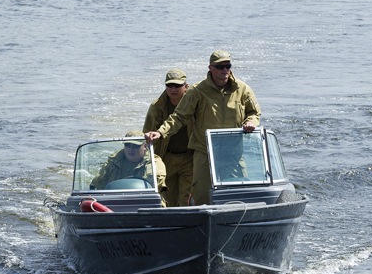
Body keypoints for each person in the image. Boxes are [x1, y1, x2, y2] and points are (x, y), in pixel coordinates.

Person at [144, 50, 261, 205]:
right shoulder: (197, 90)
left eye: (228, 66)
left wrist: (251, 122)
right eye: (220, 67)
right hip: (204, 152)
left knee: (238, 196)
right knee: (201, 197)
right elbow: (179, 116)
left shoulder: (242, 89)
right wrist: (160, 132)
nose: (225, 70)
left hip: (233, 152)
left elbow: (254, 112)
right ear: (210, 68)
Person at [143, 69, 193, 207]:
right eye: (169, 85)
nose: (173, 89)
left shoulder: (194, 103)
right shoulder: (157, 106)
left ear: (186, 86)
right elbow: (147, 133)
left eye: (177, 86)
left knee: (186, 200)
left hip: (189, 157)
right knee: (167, 198)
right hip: (167, 158)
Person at [90, 130, 167, 204]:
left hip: (145, 202)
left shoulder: (154, 163)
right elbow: (98, 185)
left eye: (135, 145)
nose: (131, 149)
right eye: (127, 145)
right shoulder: (113, 161)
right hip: (115, 201)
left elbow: (156, 186)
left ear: (145, 146)